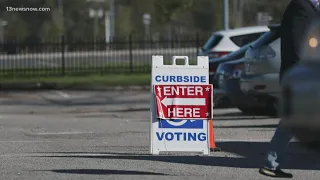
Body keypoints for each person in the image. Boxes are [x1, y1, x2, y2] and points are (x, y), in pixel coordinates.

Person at [259, 0, 319, 178]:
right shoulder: (301, 7)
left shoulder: (309, 8)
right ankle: (270, 162)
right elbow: (297, 43)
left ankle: (271, 162)